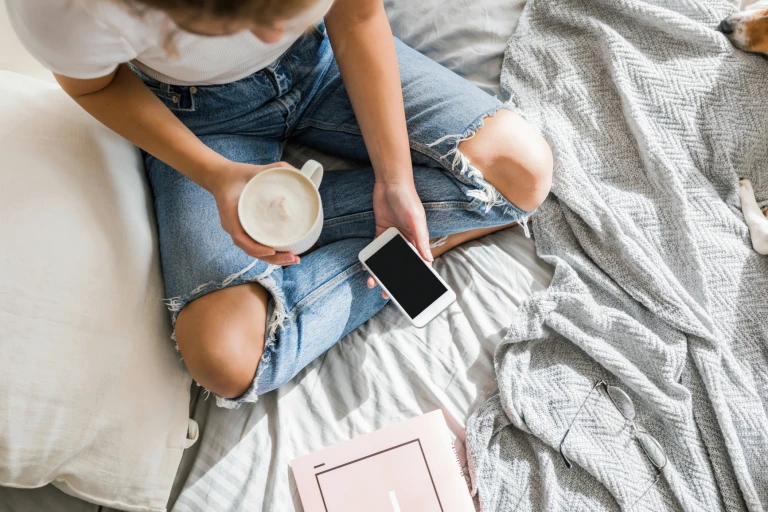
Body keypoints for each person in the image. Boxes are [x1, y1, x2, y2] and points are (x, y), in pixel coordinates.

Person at [7, 0, 553, 407]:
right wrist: (215, 176)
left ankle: (340, 221)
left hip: (326, 60)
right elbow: (94, 87)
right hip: (199, 121)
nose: (270, 33)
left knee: (522, 170)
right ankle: (391, 235)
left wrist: (396, 179)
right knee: (224, 357)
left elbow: (357, 15)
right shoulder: (62, 12)